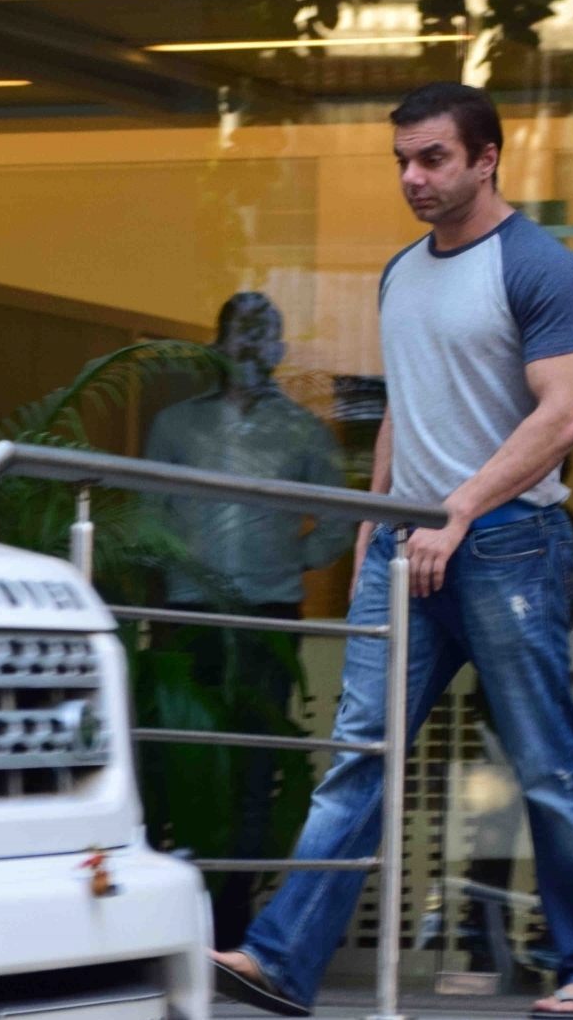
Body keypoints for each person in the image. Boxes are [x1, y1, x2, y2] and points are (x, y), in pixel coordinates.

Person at [210, 82, 573, 1020]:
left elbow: (565, 414)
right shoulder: (402, 271)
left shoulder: (540, 267)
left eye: (433, 157)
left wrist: (460, 509)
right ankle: (280, 958)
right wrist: (376, 521)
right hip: (406, 547)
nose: (412, 176)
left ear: (487, 157)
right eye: (402, 160)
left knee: (545, 760)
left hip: (507, 543)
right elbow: (406, 407)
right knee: (359, 754)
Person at [144, 291, 353, 944]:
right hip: (189, 612)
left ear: (281, 350)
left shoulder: (304, 431)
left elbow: (341, 518)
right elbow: (146, 515)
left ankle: (234, 920)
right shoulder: (175, 425)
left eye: (265, 337)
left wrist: (294, 557)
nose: (252, 348)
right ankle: (176, 912)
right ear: (218, 345)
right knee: (184, 760)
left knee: (257, 765)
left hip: (269, 613)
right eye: (241, 334)